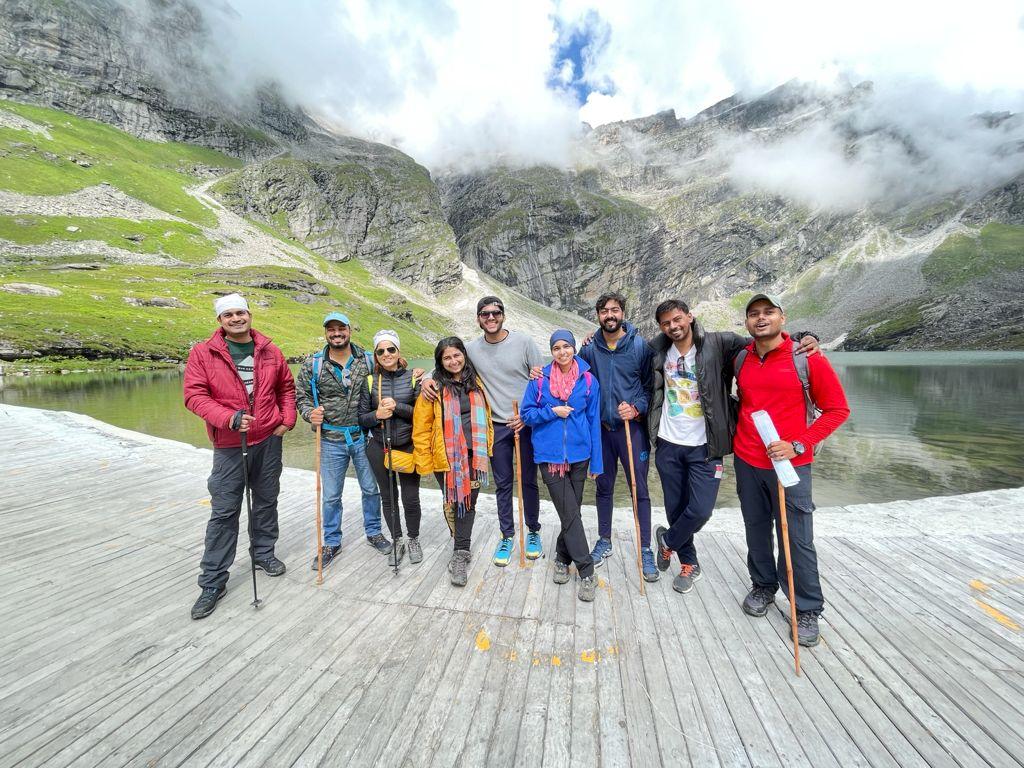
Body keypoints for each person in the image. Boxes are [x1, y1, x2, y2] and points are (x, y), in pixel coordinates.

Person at [649, 299, 819, 595]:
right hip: (668, 442)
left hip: (707, 445)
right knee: (676, 507)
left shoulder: (719, 343)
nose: (673, 326)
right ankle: (689, 562)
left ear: (690, 316)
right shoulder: (657, 349)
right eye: (666, 323)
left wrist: (805, 336)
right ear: (661, 327)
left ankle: (668, 541)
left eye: (678, 319)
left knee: (700, 510)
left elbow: (763, 341)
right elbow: (622, 348)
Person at [734, 293, 850, 647]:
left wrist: (798, 443)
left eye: (768, 312)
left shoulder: (806, 357)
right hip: (747, 458)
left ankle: (807, 608)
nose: (761, 318)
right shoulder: (742, 358)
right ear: (747, 323)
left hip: (792, 463)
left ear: (783, 318)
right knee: (755, 528)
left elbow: (836, 410)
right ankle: (764, 585)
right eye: (754, 314)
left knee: (797, 537)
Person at [183, 293, 295, 620]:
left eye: (240, 313)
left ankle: (263, 553)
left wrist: (286, 420)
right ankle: (213, 580)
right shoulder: (203, 353)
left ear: (249, 315)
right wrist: (227, 418)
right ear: (220, 320)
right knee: (224, 510)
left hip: (268, 440)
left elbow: (285, 389)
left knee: (266, 500)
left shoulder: (270, 351)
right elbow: (194, 396)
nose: (236, 319)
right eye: (228, 314)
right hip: (230, 444)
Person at [421, 296, 544, 567]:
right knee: (502, 482)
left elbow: (540, 382)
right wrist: (426, 378)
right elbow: (445, 365)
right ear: (478, 319)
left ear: (503, 315)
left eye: (495, 313)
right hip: (496, 426)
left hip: (523, 423)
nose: (491, 318)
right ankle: (507, 534)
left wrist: (527, 415)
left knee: (528, 480)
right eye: (485, 314)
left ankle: (533, 530)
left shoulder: (524, 343)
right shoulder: (472, 349)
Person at [296, 312, 390, 571]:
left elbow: (394, 373)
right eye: (331, 329)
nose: (336, 333)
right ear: (326, 333)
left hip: (363, 436)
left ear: (349, 330)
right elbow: (301, 397)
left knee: (371, 489)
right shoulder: (313, 364)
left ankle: (374, 532)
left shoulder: (369, 360)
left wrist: (420, 375)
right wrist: (308, 414)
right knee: (331, 495)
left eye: (341, 328)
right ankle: (331, 541)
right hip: (329, 438)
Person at [578, 292, 658, 581]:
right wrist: (540, 374)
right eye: (604, 311)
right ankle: (604, 539)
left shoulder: (639, 347)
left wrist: (636, 407)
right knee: (603, 487)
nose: (609, 315)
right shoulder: (589, 349)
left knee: (640, 490)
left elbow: (650, 389)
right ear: (597, 315)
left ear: (623, 312)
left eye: (614, 310)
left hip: (631, 430)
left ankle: (646, 547)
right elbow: (573, 378)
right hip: (602, 430)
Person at [521, 330, 602, 602]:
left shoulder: (588, 380)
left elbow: (594, 422)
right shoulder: (539, 380)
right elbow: (527, 415)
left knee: (571, 513)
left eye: (566, 346)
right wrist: (551, 412)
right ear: (551, 351)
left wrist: (597, 461)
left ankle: (561, 557)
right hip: (548, 456)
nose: (562, 352)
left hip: (580, 456)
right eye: (556, 347)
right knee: (570, 513)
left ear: (574, 348)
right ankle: (587, 570)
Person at [412, 337, 493, 587]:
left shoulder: (475, 380)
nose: (453, 361)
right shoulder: (432, 388)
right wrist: (425, 462)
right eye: (447, 357)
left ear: (464, 356)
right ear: (440, 361)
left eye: (457, 355)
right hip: (446, 457)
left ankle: (460, 551)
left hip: (474, 455)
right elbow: (421, 427)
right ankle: (461, 545)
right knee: (454, 502)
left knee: (468, 503)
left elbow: (487, 414)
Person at [358, 330, 423, 567]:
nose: (386, 354)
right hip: (379, 446)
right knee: (388, 497)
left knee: (411, 498)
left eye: (391, 349)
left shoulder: (414, 379)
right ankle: (397, 539)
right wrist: (376, 415)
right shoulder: (369, 381)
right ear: (375, 355)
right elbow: (361, 419)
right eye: (381, 351)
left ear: (398, 351)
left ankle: (413, 538)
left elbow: (421, 415)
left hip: (408, 446)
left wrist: (398, 408)